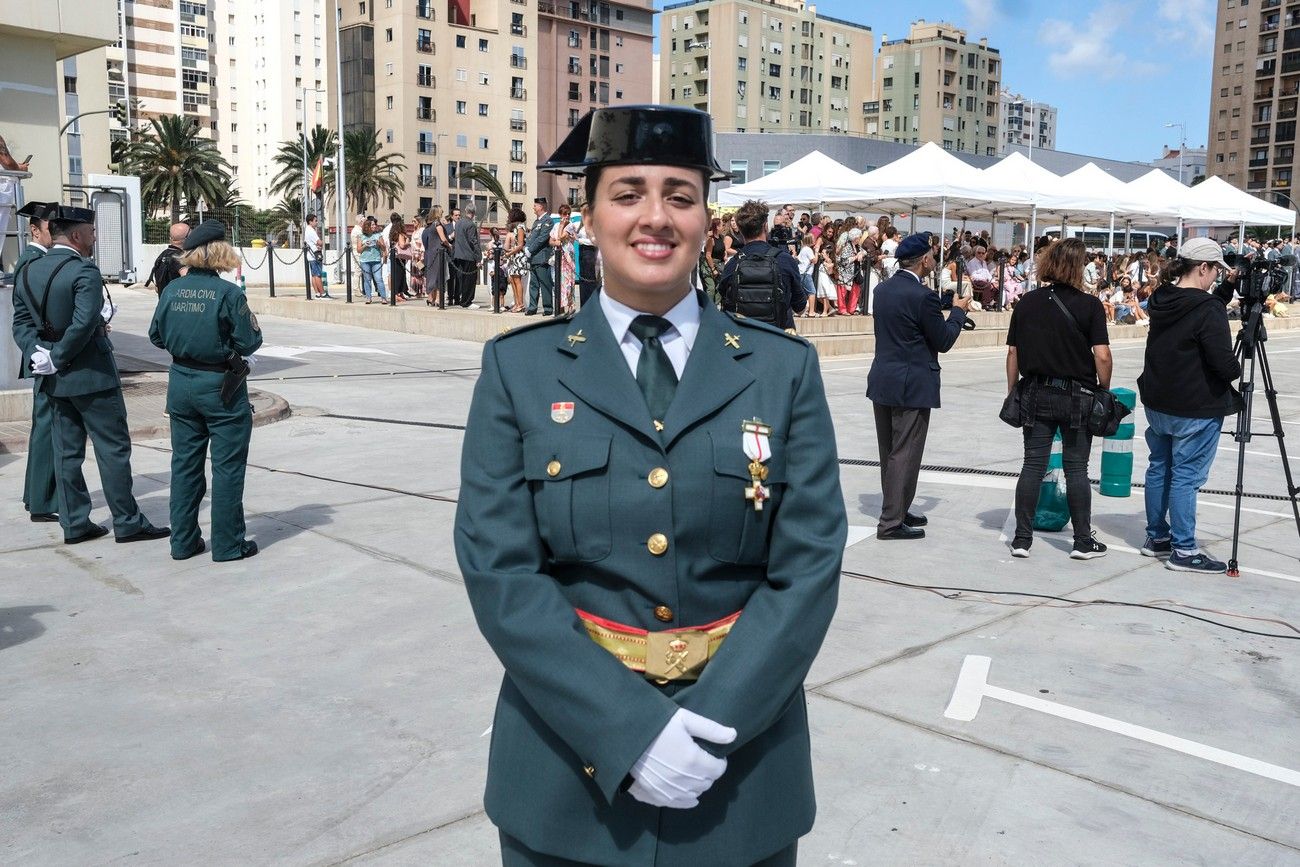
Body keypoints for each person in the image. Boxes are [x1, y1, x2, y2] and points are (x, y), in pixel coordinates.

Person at [455, 104, 846, 867]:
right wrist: (628, 730)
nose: (655, 217)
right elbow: (499, 571)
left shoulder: (783, 371)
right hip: (566, 785)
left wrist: (712, 725)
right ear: (590, 214)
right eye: (628, 193)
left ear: (706, 218)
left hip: (737, 781)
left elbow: (808, 567)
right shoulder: (520, 370)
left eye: (680, 194)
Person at [10, 205, 169, 545]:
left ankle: (75, 524)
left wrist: (39, 353)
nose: (95, 238)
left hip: (54, 379)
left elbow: (21, 323)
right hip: (91, 375)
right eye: (92, 232)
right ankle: (127, 522)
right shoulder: (84, 271)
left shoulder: (29, 270)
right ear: (77, 234)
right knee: (112, 450)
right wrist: (57, 357)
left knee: (66, 453)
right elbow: (83, 323)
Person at [148, 220, 262, 561]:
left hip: (180, 384)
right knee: (227, 468)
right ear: (219, 251)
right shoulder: (228, 293)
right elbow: (250, 340)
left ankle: (183, 542)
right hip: (220, 388)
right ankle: (228, 545)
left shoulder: (171, 290)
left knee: (184, 466)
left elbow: (156, 336)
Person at [1138, 238, 1242, 573]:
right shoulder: (1207, 309)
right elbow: (1224, 365)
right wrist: (1237, 366)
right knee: (1186, 476)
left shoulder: (1162, 297)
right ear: (1203, 268)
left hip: (1158, 401)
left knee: (1160, 467)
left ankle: (1157, 536)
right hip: (1194, 406)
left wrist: (1225, 289)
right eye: (1215, 272)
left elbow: (1196, 309)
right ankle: (1184, 549)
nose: (1216, 278)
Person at [1004, 238, 1112, 560]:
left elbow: (1013, 353)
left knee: (1032, 465)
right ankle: (1082, 541)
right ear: (1078, 267)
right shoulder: (1090, 305)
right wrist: (1103, 389)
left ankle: (1022, 539)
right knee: (1076, 469)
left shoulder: (1027, 302)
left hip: (1036, 392)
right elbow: (1102, 355)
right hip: (1077, 396)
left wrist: (1012, 392)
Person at [867, 231, 971, 540]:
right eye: (933, 255)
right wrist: (958, 312)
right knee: (906, 453)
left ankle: (897, 507)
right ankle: (890, 522)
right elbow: (943, 340)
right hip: (912, 383)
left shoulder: (882, 290)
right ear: (924, 260)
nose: (935, 259)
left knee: (890, 451)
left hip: (884, 378)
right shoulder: (923, 296)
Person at [13, 201, 58, 522]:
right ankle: (42, 501)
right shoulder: (32, 261)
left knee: (44, 426)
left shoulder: (36, 259)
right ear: (34, 230)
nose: (55, 233)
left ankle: (35, 495)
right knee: (46, 428)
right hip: (45, 355)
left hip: (43, 353)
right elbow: (28, 316)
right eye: (50, 228)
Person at [716, 198, 807, 330]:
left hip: (744, 336)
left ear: (740, 229)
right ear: (765, 226)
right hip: (779, 335)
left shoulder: (733, 264)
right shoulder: (785, 260)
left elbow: (725, 301)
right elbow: (800, 308)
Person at [524, 197, 554, 315]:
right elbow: (532, 237)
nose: (533, 207)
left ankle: (548, 308)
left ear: (541, 206)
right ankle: (532, 307)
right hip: (533, 258)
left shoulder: (548, 221)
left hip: (541, 257)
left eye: (535, 205)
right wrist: (527, 247)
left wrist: (530, 249)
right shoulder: (536, 222)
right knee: (533, 284)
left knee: (545, 283)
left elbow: (542, 238)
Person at [147, 222, 191, 295]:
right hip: (177, 301)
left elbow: (157, 288)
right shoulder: (179, 257)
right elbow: (187, 279)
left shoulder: (162, 255)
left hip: (164, 300)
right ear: (187, 238)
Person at [451, 206, 482, 308]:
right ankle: (467, 301)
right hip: (469, 255)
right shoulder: (471, 224)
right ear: (474, 213)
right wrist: (479, 257)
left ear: (465, 211)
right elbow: (473, 241)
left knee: (462, 279)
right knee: (470, 280)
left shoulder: (458, 223)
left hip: (459, 255)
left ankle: (462, 300)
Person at [550, 203, 578, 313]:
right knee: (558, 281)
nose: (567, 216)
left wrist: (562, 225)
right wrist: (555, 242)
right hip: (558, 255)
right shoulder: (556, 225)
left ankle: (570, 306)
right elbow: (551, 240)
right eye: (564, 214)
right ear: (560, 214)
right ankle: (560, 307)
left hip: (567, 255)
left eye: (568, 214)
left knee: (568, 281)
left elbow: (561, 237)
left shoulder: (570, 225)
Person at [355, 215, 389, 303]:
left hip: (376, 260)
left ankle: (383, 297)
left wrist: (379, 244)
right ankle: (368, 297)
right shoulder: (361, 236)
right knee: (367, 279)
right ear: (367, 226)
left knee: (379, 279)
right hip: (365, 261)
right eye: (372, 225)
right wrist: (365, 245)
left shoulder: (378, 235)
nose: (374, 226)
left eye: (374, 225)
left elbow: (384, 248)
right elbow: (359, 250)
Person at [421, 206, 449, 306]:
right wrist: (449, 245)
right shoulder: (437, 224)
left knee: (431, 276)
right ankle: (438, 298)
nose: (442, 213)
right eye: (441, 211)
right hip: (438, 254)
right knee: (439, 276)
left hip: (429, 254)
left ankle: (430, 298)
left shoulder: (427, 227)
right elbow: (443, 239)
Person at [388, 212, 412, 302]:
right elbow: (402, 245)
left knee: (398, 275)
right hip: (399, 257)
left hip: (394, 255)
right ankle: (397, 294)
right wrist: (408, 242)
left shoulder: (392, 233)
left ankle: (399, 293)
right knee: (399, 275)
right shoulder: (400, 234)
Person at [303, 214, 328, 299]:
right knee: (317, 275)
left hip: (311, 256)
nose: (317, 222)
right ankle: (322, 293)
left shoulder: (307, 230)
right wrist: (321, 244)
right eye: (315, 221)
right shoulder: (311, 231)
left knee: (314, 275)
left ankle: (317, 293)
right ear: (310, 222)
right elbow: (319, 242)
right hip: (315, 255)